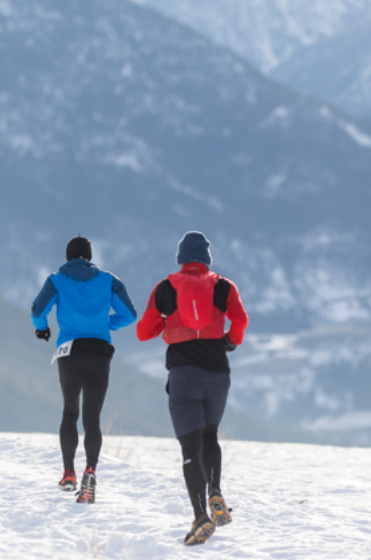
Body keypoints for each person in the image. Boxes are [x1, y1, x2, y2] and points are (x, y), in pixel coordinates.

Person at [137, 231, 249, 546]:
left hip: (184, 376)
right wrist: (230, 341)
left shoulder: (164, 288)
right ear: (206, 259)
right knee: (210, 436)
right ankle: (215, 491)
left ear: (181, 259)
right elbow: (241, 321)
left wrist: (165, 323)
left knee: (190, 449)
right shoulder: (224, 286)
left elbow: (144, 332)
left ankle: (200, 515)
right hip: (218, 374)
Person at [31, 235, 138, 503]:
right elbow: (129, 314)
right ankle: (91, 469)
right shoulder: (109, 281)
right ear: (90, 257)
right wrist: (104, 325)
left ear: (68, 257)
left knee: (70, 411)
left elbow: (37, 309)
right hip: (100, 353)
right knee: (92, 419)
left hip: (69, 352)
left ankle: (69, 472)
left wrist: (43, 327)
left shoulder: (57, 280)